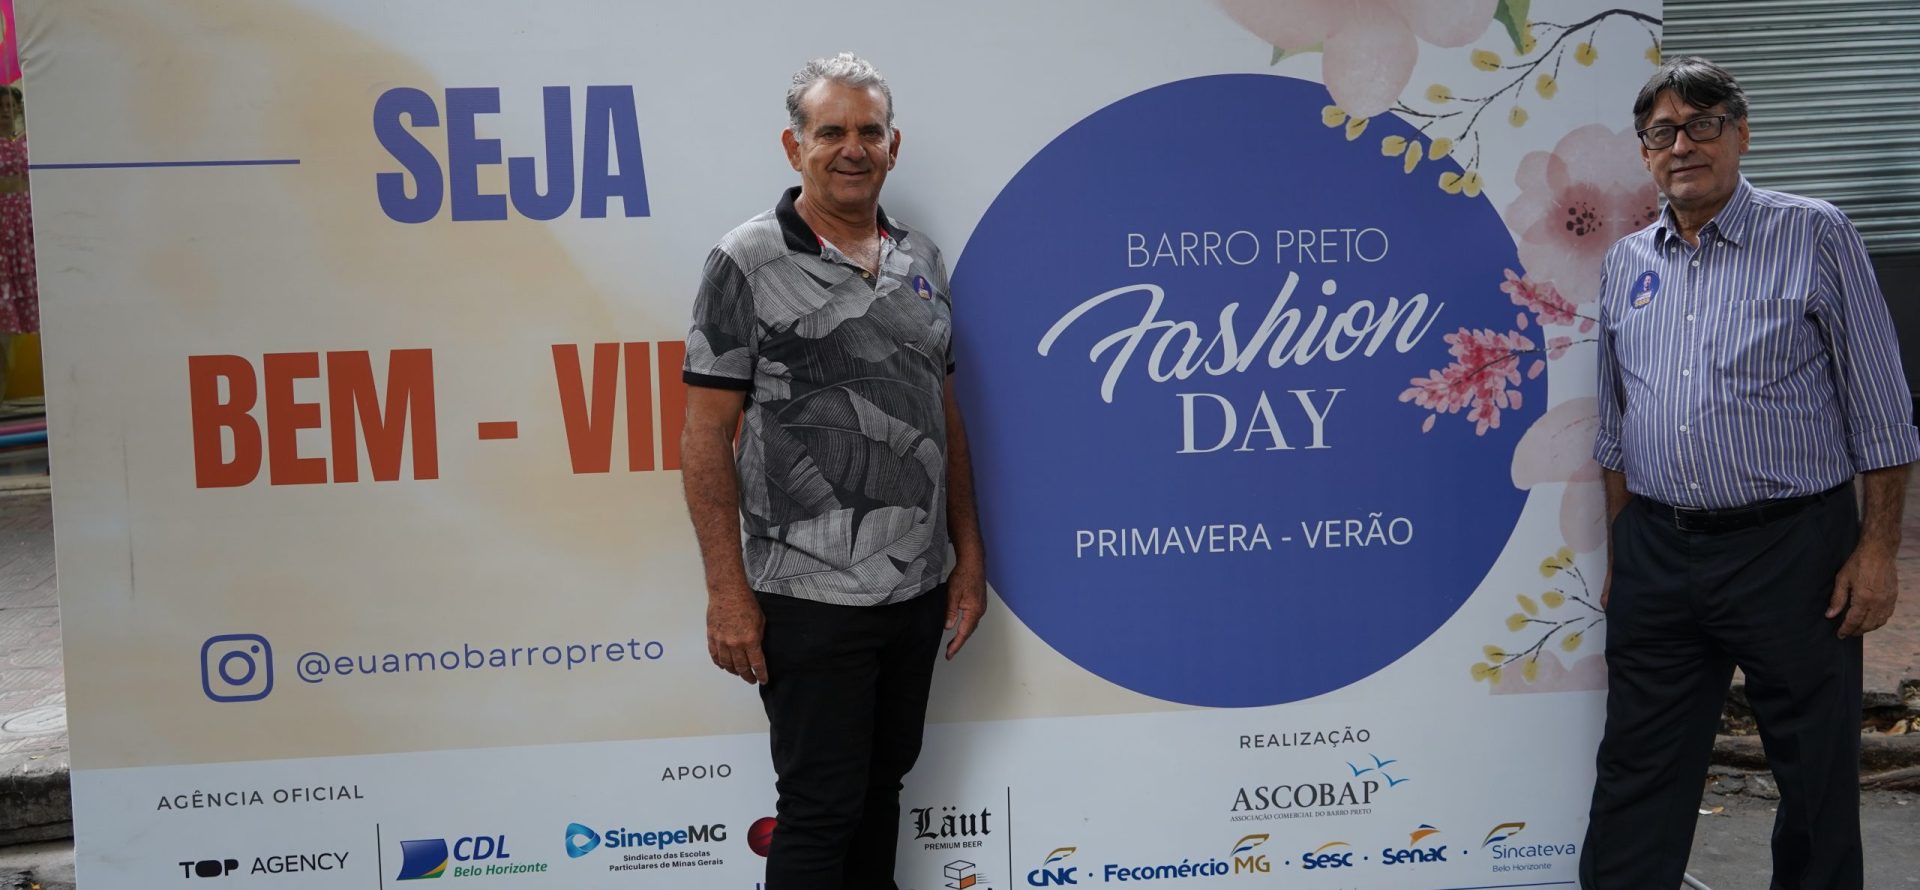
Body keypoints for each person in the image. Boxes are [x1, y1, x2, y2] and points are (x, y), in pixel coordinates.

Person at [1584, 57, 1916, 889]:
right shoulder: (1626, 263)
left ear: (1741, 134)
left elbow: (1882, 408)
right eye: (1662, 132)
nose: (1682, 146)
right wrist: (1625, 554)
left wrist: (1877, 552)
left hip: (1791, 552)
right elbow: (1616, 428)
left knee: (1813, 773)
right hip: (1659, 550)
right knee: (1637, 766)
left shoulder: (1815, 234)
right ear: (1644, 153)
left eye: (1703, 124)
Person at [679, 52, 987, 890]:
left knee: (880, 794)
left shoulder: (921, 258)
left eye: (869, 132)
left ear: (894, 145)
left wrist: (966, 556)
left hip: (915, 590)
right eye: (831, 132)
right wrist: (726, 593)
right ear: (795, 147)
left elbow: (942, 413)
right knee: (820, 809)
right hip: (806, 598)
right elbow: (705, 434)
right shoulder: (745, 261)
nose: (853, 148)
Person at [0, 86, 35, 395]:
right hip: (4, 222)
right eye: (1, 106)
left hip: (27, 221)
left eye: (11, 105)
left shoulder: (28, 140)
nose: (7, 111)